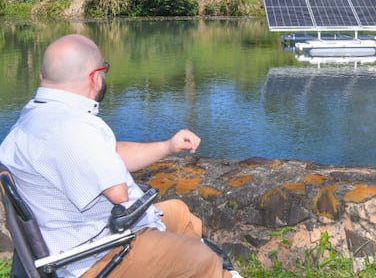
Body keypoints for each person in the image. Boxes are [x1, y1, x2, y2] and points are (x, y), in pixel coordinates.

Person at [0, 34, 241, 278]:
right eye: (104, 70)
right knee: (202, 258)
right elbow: (118, 193)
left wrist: (167, 146)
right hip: (96, 257)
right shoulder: (73, 126)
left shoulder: (34, 117)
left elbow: (107, 153)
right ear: (94, 77)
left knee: (179, 212)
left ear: (44, 76)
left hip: (78, 239)